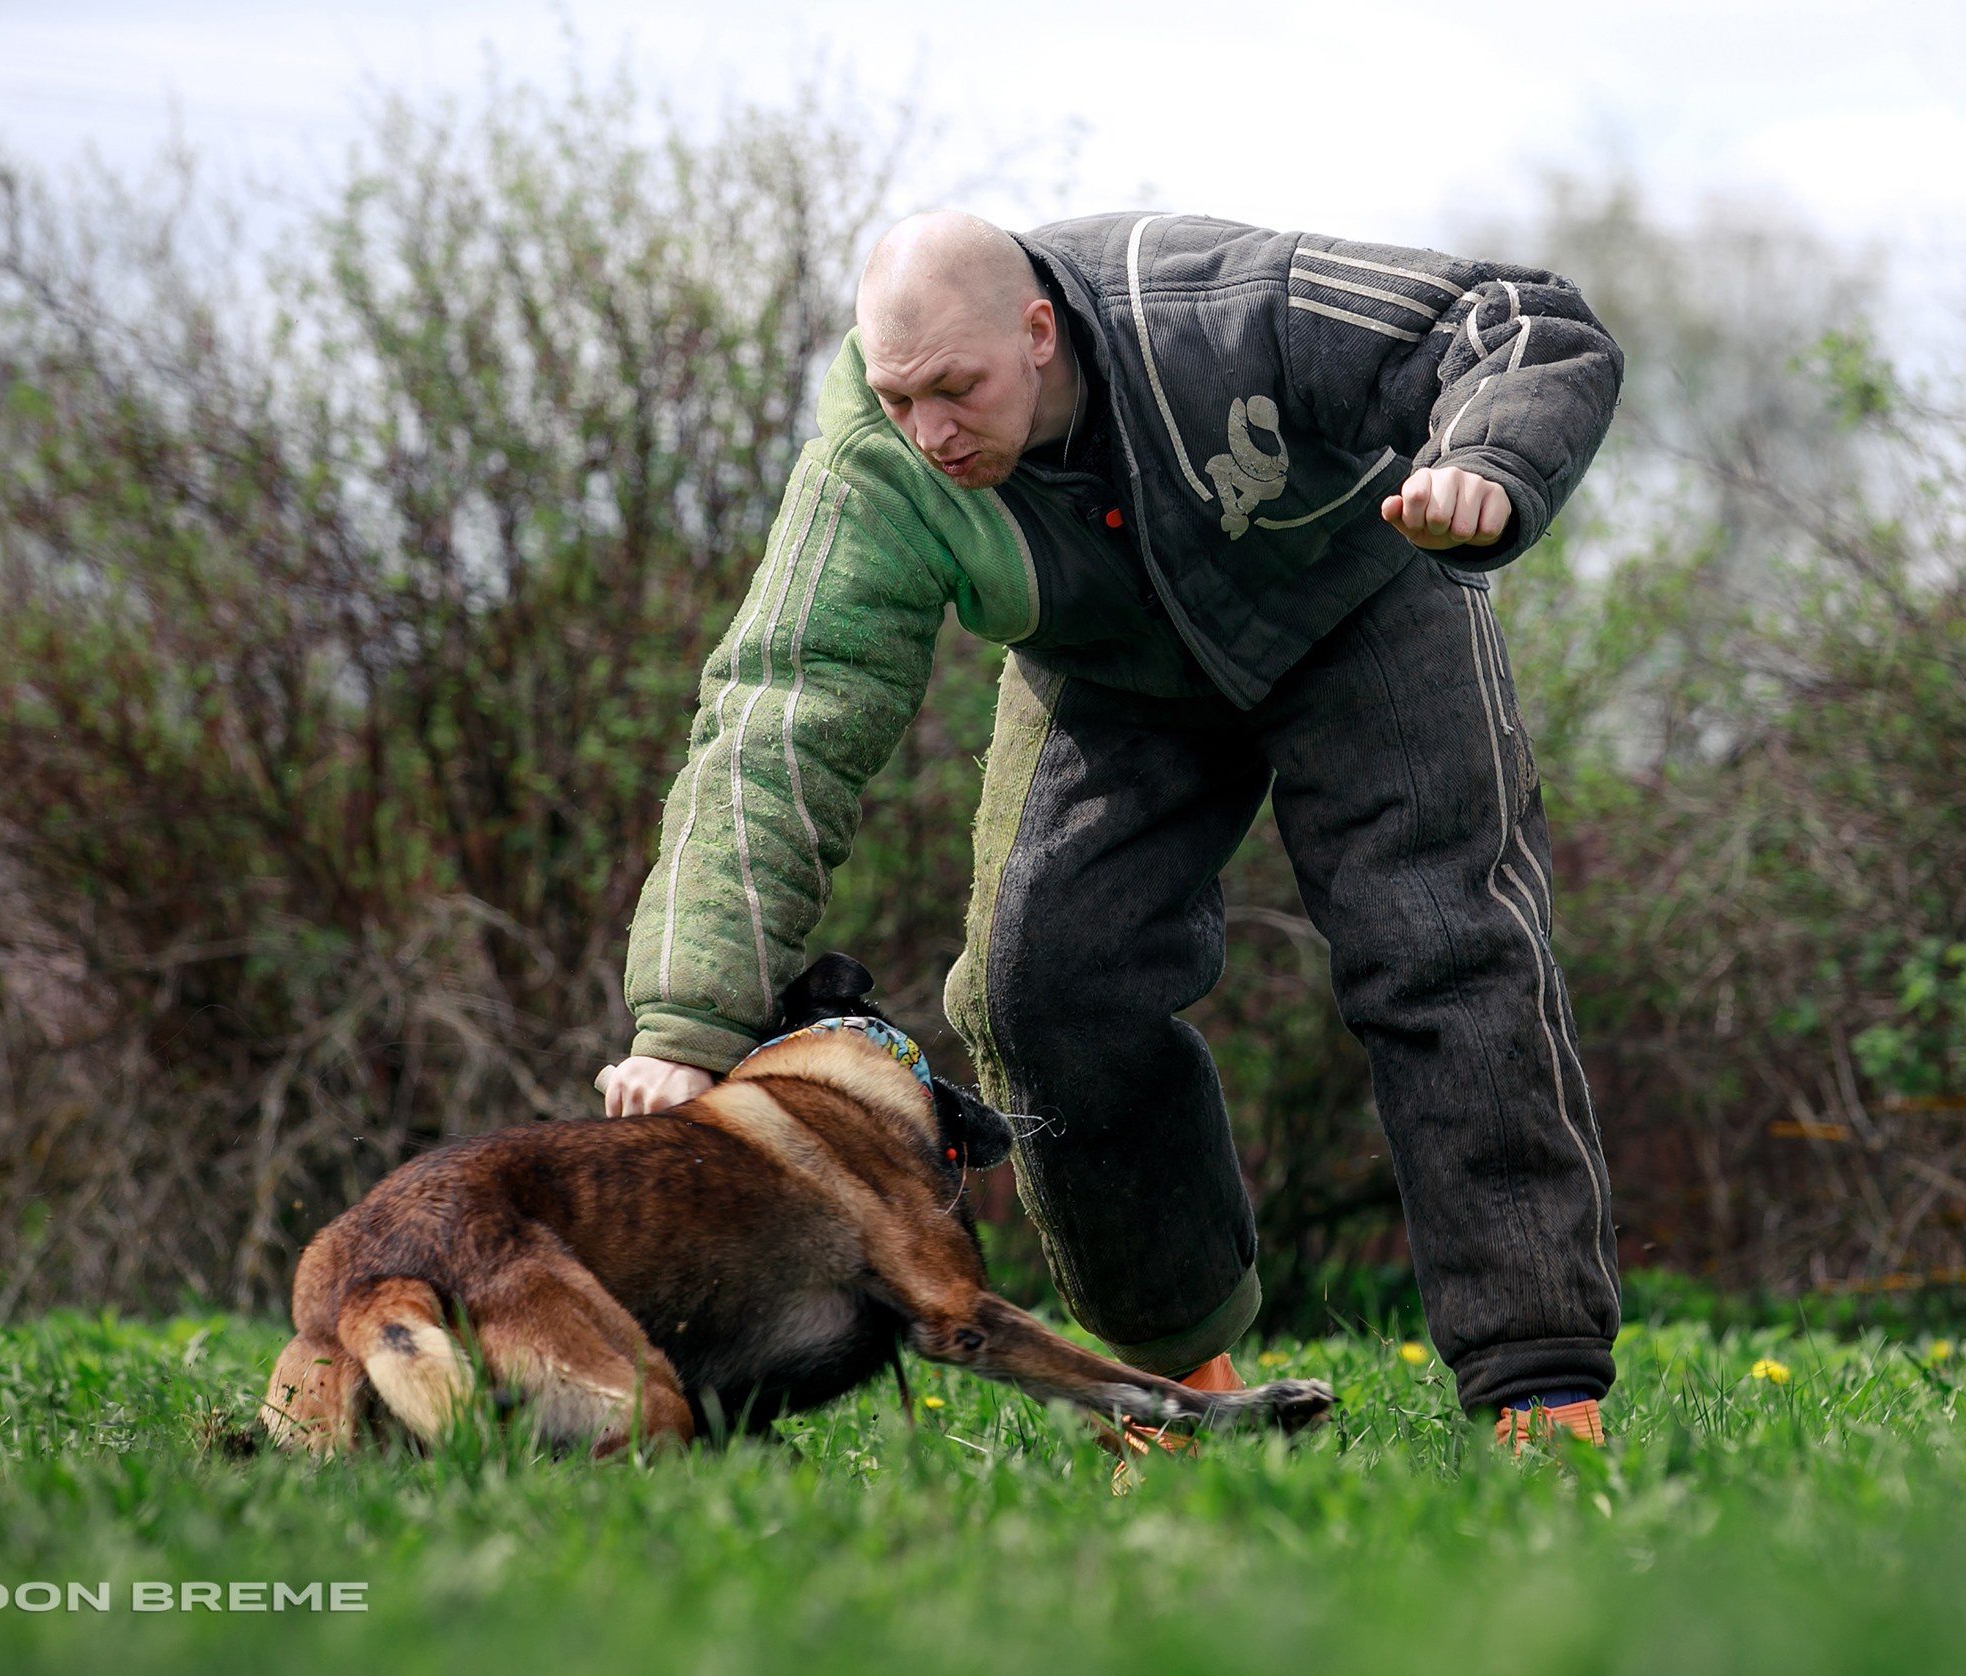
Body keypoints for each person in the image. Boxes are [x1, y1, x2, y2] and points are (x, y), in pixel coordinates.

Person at [602, 209, 1624, 1448]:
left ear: (1038, 332)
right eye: (899, 396)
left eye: (957, 389)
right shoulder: (874, 468)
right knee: (1040, 986)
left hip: (1362, 602)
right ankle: (1176, 1392)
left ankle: (1540, 1394)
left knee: (1440, 948)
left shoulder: (1215, 307)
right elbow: (779, 720)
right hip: (1112, 674)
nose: (930, 431)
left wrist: (1488, 459)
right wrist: (688, 1019)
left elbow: (1518, 322)